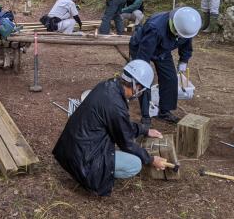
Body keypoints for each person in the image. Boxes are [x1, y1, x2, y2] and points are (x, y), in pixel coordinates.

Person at [52, 60, 167, 196]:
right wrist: (151, 160)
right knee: (135, 164)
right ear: (136, 86)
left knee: (116, 145)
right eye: (141, 90)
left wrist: (144, 130)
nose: (140, 94)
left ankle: (86, 170)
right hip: (83, 160)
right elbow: (126, 143)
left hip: (70, 151)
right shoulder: (115, 105)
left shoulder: (107, 86)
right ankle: (93, 177)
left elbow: (120, 125)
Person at [129, 7, 202, 125]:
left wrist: (183, 60)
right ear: (174, 25)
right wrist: (141, 71)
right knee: (144, 80)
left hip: (163, 50)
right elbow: (144, 54)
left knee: (170, 78)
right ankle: (146, 115)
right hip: (141, 47)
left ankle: (164, 111)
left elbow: (186, 43)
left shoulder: (187, 27)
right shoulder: (155, 28)